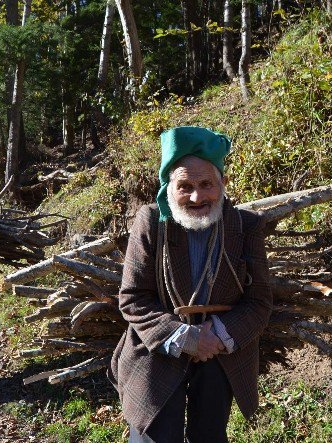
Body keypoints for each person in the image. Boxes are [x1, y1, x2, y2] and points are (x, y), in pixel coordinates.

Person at [109, 126, 272, 442]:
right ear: (168, 187)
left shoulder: (245, 226)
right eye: (185, 186)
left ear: (222, 183)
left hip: (221, 349)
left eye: (206, 184)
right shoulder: (151, 222)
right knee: (152, 434)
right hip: (157, 344)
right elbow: (132, 297)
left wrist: (215, 337)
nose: (198, 197)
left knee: (209, 435)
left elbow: (259, 301)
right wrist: (182, 335)